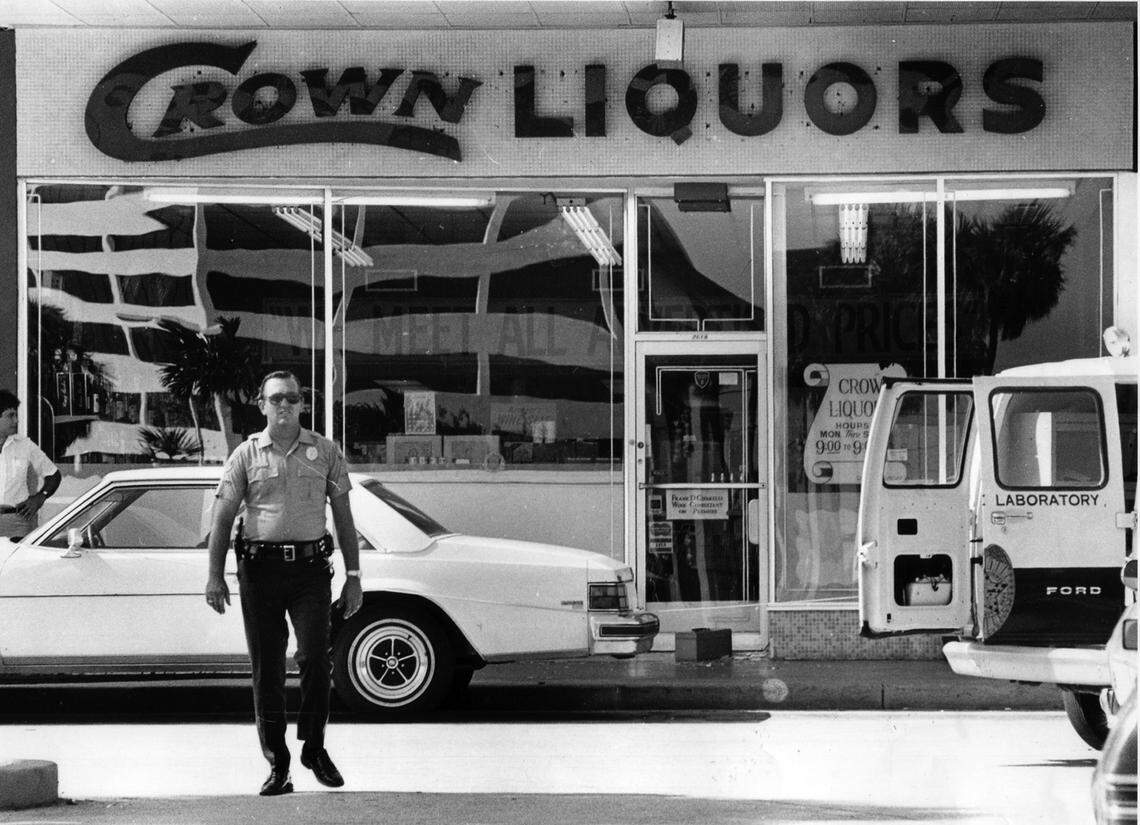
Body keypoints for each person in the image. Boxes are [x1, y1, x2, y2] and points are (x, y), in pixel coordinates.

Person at [204, 371, 363, 796]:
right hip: (259, 573)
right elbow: (222, 518)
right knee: (267, 671)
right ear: (262, 404)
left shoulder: (325, 452)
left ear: (302, 404)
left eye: (292, 398)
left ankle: (314, 746)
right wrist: (214, 576)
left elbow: (344, 519)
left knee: (315, 657)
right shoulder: (245, 455)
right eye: (276, 399)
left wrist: (354, 576)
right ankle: (278, 765)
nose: (285, 405)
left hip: (311, 572)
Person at [0, 389, 61, 538]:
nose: (16, 420)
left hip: (17, 523)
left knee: (21, 562)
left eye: (16, 415)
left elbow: (54, 475)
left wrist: (40, 497)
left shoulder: (25, 445)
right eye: (10, 416)